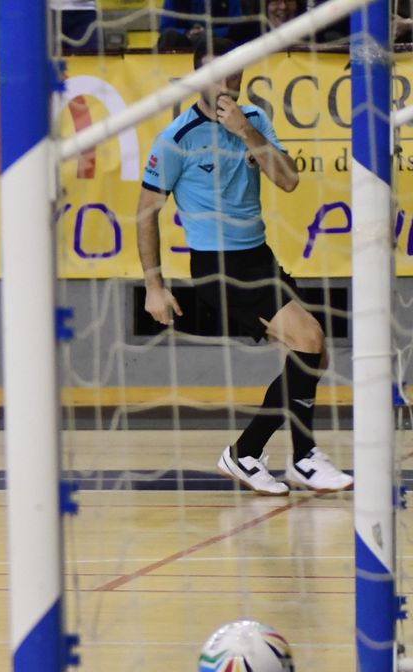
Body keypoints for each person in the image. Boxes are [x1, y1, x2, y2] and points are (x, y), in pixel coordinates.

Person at [138, 37, 351, 495]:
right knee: (309, 339)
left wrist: (245, 132)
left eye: (233, 72)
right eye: (216, 74)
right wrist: (154, 286)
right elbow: (145, 213)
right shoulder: (176, 139)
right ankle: (250, 453)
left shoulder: (253, 119)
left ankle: (297, 458)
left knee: (312, 353)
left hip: (259, 256)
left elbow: (288, 180)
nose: (227, 82)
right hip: (217, 265)